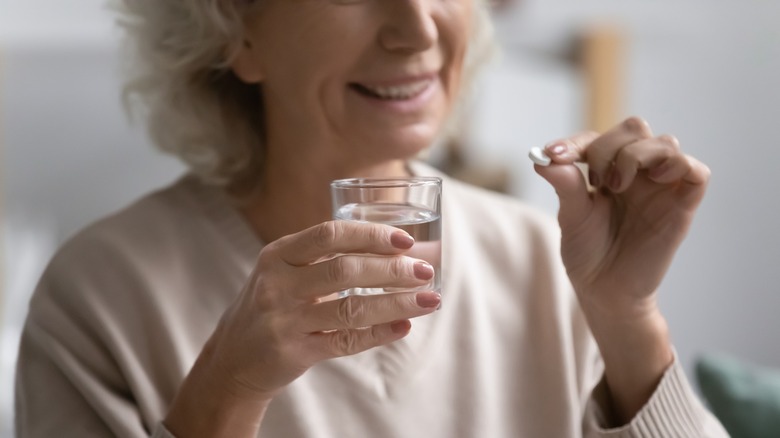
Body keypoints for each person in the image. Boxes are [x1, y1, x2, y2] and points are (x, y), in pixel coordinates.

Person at [15, 0, 728, 437]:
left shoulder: (551, 259)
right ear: (236, 29)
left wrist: (628, 318)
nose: (417, 28)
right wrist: (227, 392)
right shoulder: (100, 295)